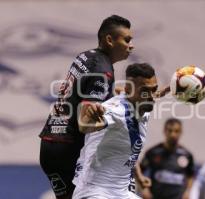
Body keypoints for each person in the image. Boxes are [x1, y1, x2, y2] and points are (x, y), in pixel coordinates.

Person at [39, 15, 134, 199]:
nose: (131, 45)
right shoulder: (103, 70)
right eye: (127, 40)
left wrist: (114, 94)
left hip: (51, 143)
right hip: (67, 149)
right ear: (109, 40)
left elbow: (83, 93)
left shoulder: (86, 56)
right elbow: (85, 120)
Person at [72, 63, 158, 199]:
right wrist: (88, 117)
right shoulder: (115, 110)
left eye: (154, 89)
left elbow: (128, 150)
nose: (152, 96)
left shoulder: (143, 105)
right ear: (129, 89)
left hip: (121, 193)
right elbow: (85, 127)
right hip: (95, 191)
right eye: (145, 91)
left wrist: (140, 177)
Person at [141, 118, 195, 199]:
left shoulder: (187, 155)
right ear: (164, 131)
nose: (173, 134)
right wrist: (144, 189)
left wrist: (188, 192)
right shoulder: (153, 152)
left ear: (181, 132)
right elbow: (140, 171)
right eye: (170, 130)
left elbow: (191, 175)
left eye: (176, 131)